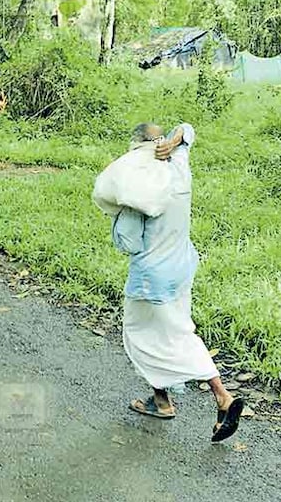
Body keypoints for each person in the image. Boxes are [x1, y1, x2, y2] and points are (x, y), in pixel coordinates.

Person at [110, 122, 246, 442]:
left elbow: (127, 241)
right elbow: (188, 129)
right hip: (182, 267)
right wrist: (175, 140)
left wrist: (120, 212)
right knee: (173, 330)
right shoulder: (179, 166)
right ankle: (161, 399)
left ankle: (221, 396)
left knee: (143, 336)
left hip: (152, 276)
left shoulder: (141, 189)